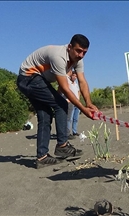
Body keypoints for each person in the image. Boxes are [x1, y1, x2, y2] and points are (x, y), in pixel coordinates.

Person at [16, 34, 99, 169]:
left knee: (46, 114)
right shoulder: (59, 57)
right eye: (78, 51)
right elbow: (66, 89)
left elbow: (82, 81)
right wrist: (84, 110)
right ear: (70, 47)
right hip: (28, 78)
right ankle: (62, 145)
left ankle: (42, 157)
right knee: (61, 104)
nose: (81, 55)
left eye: (84, 52)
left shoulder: (78, 60)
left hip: (38, 80)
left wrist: (89, 103)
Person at [59, 70, 81, 139]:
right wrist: (67, 99)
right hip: (70, 102)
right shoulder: (68, 83)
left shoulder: (76, 84)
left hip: (77, 102)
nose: (75, 77)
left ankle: (74, 131)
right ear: (71, 75)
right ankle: (67, 133)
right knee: (69, 118)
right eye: (74, 76)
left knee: (76, 118)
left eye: (76, 76)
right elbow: (62, 90)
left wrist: (78, 99)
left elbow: (78, 91)